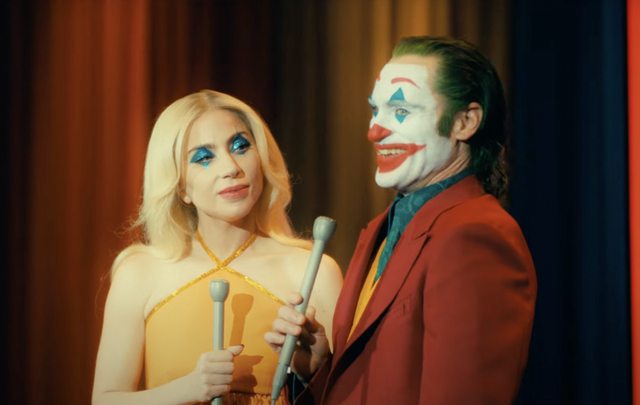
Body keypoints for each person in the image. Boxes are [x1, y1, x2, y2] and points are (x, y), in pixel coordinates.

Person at [266, 36, 537, 404]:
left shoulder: (476, 235)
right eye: (375, 110)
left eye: (401, 110)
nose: (374, 130)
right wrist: (317, 369)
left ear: (465, 122)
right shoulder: (381, 228)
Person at [92, 89, 343, 405]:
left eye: (240, 146)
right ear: (180, 185)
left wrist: (313, 372)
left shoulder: (314, 271)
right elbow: (105, 400)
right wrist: (187, 389)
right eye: (203, 157)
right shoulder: (139, 273)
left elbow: (358, 393)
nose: (231, 168)